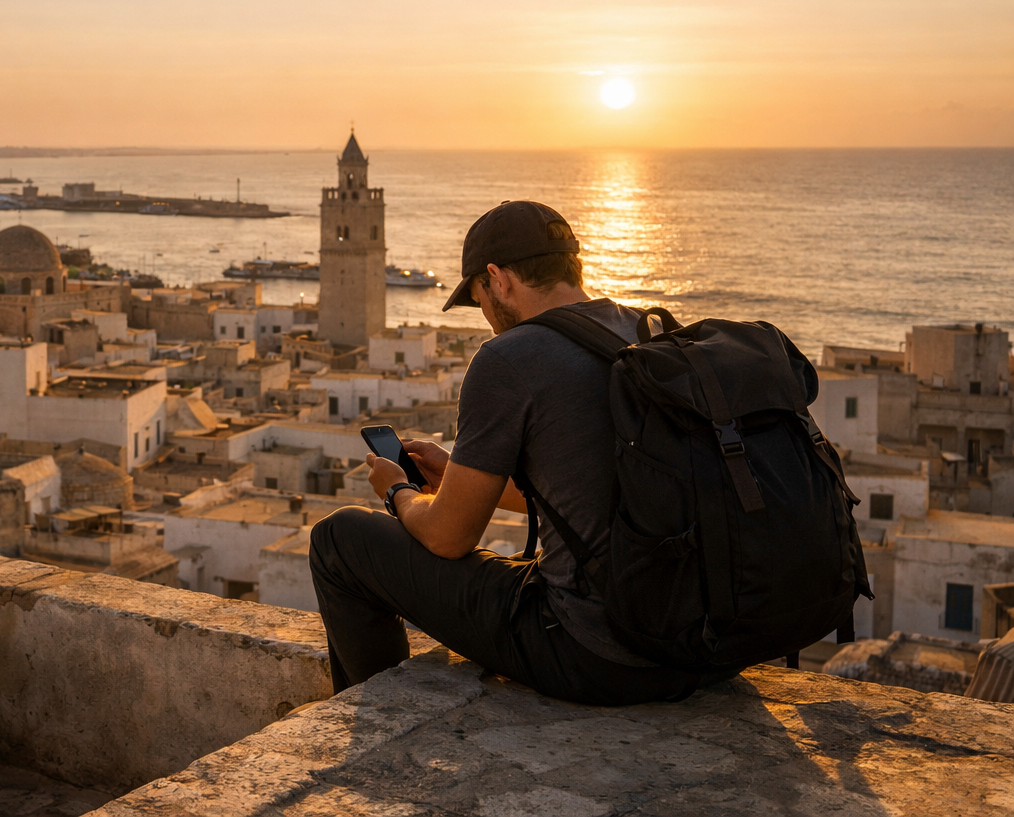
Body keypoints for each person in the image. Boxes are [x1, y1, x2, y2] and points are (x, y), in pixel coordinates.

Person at [308, 200, 737, 704]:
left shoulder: (508, 358)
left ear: (498, 279)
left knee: (339, 539)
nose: (487, 318)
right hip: (705, 646)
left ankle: (379, 715)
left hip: (597, 654)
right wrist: (454, 476)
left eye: (478, 299)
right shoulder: (654, 331)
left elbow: (450, 538)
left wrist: (398, 491)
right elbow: (597, 490)